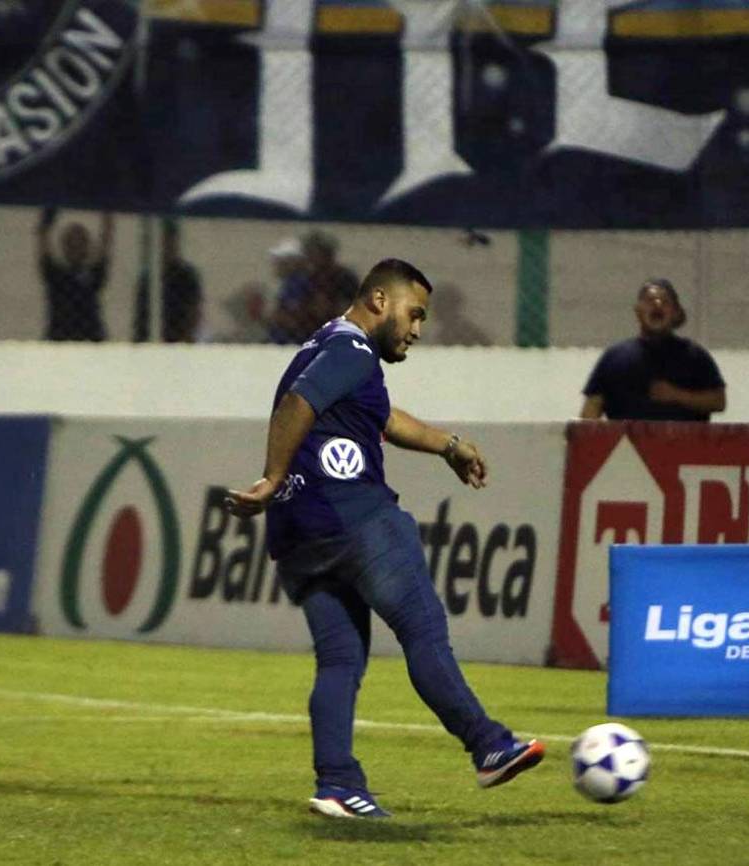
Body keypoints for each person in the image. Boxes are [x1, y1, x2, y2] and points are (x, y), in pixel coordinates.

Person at [224, 258, 544, 820]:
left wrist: (448, 444)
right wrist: (271, 476)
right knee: (423, 631)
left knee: (340, 660)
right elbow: (298, 403)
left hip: (298, 534)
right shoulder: (351, 353)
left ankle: (337, 784)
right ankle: (487, 744)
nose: (418, 330)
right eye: (413, 314)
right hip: (355, 517)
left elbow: (382, 418)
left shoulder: (325, 346)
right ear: (378, 301)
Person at [580, 278, 726, 421]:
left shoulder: (695, 356)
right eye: (649, 300)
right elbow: (590, 414)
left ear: (675, 312)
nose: (657, 305)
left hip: (684, 445)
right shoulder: (613, 358)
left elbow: (719, 401)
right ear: (638, 311)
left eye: (665, 301)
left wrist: (677, 395)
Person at [37, 208, 113, 342]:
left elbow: (106, 239)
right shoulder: (55, 275)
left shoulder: (94, 274)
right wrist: (48, 215)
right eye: (71, 243)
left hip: (91, 341)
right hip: (59, 340)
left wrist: (106, 210)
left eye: (81, 242)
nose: (76, 246)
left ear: (87, 247)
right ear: (65, 246)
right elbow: (42, 238)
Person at [133, 218, 203, 343]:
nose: (166, 245)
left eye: (169, 240)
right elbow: (141, 318)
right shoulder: (148, 278)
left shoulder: (186, 275)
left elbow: (194, 312)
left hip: (179, 343)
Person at [302, 229, 360, 332]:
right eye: (309, 252)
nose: (310, 257)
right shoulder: (306, 278)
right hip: (309, 329)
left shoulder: (345, 277)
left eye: (315, 252)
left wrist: (331, 306)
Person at [267, 237, 312, 344]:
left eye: (281, 261)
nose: (277, 265)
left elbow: (293, 317)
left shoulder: (297, 284)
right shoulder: (290, 283)